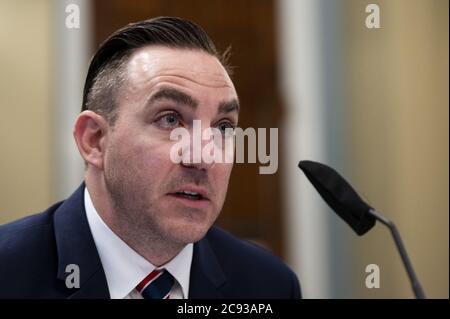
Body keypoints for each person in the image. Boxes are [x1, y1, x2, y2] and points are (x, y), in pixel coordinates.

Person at [0, 16, 301, 299]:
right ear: (94, 140)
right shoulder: (9, 272)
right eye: (170, 120)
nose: (204, 157)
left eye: (223, 127)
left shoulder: (268, 285)